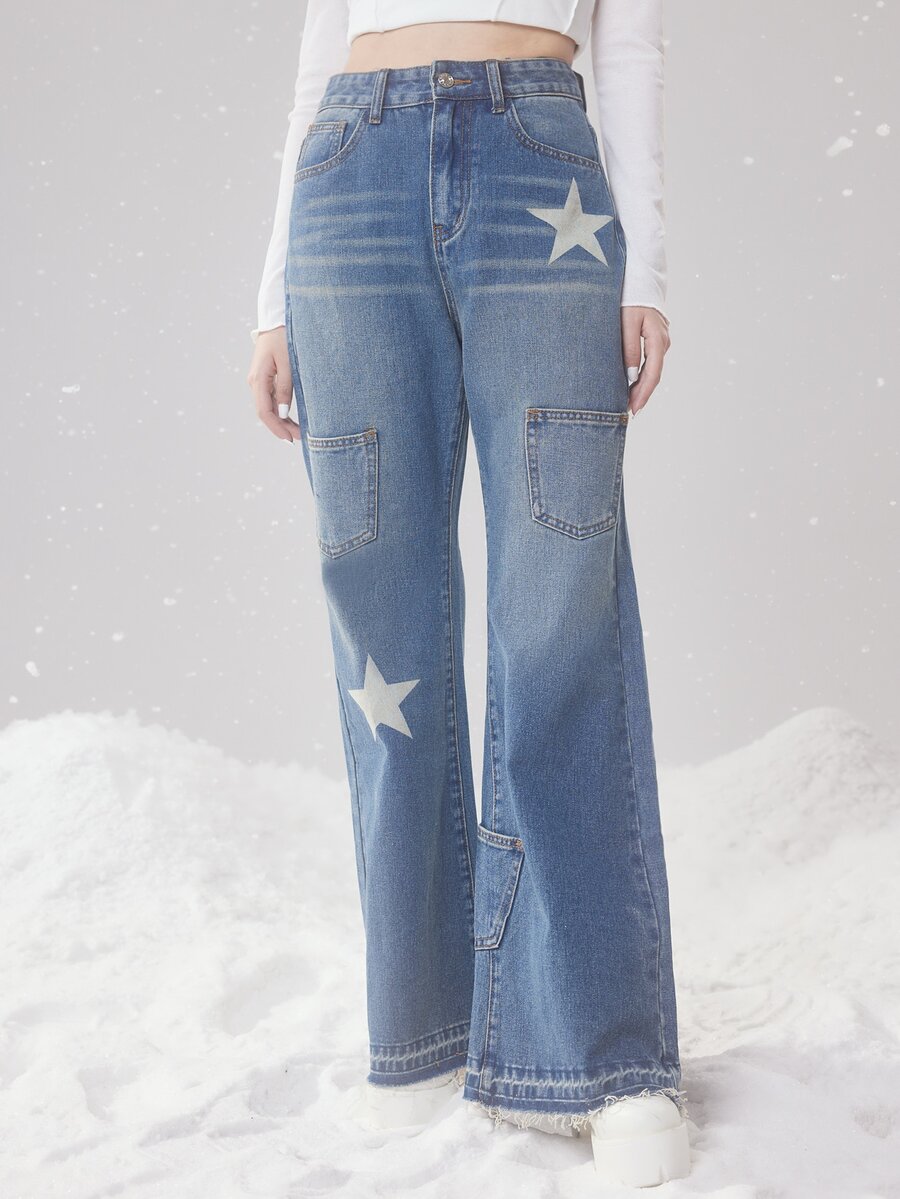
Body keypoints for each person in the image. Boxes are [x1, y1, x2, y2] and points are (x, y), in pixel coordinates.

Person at [246, 0, 688, 1186]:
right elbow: (321, 52)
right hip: (349, 172)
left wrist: (646, 266)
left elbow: (631, 49)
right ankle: (420, 1024)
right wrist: (274, 292)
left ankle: (601, 1050)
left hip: (540, 169)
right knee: (378, 618)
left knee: (561, 607)